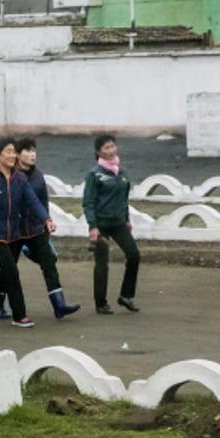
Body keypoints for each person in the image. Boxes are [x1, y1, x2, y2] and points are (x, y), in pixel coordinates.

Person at [0, 137, 81, 321]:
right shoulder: (9, 176)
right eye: (27, 151)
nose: (32, 155)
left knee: (49, 264)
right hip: (14, 232)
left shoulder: (38, 177)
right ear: (17, 154)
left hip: (36, 229)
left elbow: (42, 202)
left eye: (34, 150)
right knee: (9, 270)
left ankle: (59, 305)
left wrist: (46, 223)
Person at [0, 137, 54, 328]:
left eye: (13, 151)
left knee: (7, 274)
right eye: (8, 151)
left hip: (13, 234)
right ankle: (19, 316)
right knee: (12, 273)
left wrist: (46, 219)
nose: (12, 155)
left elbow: (33, 201)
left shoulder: (20, 179)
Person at [82, 134, 140, 314]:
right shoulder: (94, 174)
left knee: (134, 256)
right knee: (102, 263)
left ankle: (126, 296)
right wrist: (93, 226)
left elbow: (124, 199)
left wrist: (127, 219)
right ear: (98, 151)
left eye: (112, 146)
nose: (110, 151)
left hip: (118, 223)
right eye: (106, 148)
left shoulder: (122, 172)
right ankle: (101, 303)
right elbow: (88, 202)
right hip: (101, 224)